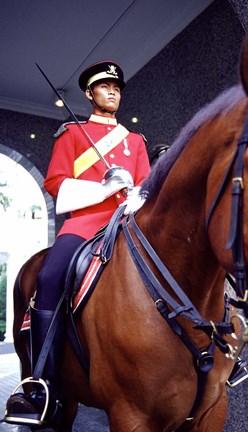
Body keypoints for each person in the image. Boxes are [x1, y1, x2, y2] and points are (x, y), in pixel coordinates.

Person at [4, 60, 151, 427]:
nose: (112, 91)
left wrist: (134, 195)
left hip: (128, 223)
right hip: (85, 224)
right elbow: (55, 181)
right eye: (104, 87)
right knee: (50, 276)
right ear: (89, 94)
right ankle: (41, 382)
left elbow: (147, 188)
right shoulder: (73, 134)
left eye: (116, 87)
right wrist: (103, 187)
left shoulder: (135, 142)